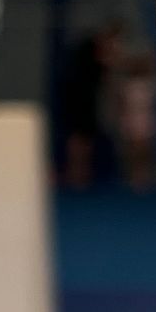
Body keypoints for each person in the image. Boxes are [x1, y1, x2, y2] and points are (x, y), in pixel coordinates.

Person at [59, 21, 118, 190]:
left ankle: (79, 173)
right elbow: (110, 63)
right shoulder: (89, 57)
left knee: (84, 139)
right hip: (80, 101)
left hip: (85, 101)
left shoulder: (90, 62)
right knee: (78, 139)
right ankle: (75, 174)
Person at [114, 42, 156, 193]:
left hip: (145, 118)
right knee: (132, 150)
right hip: (132, 118)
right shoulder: (126, 85)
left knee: (145, 149)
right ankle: (132, 176)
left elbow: (154, 102)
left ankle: (144, 176)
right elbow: (121, 103)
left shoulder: (150, 84)